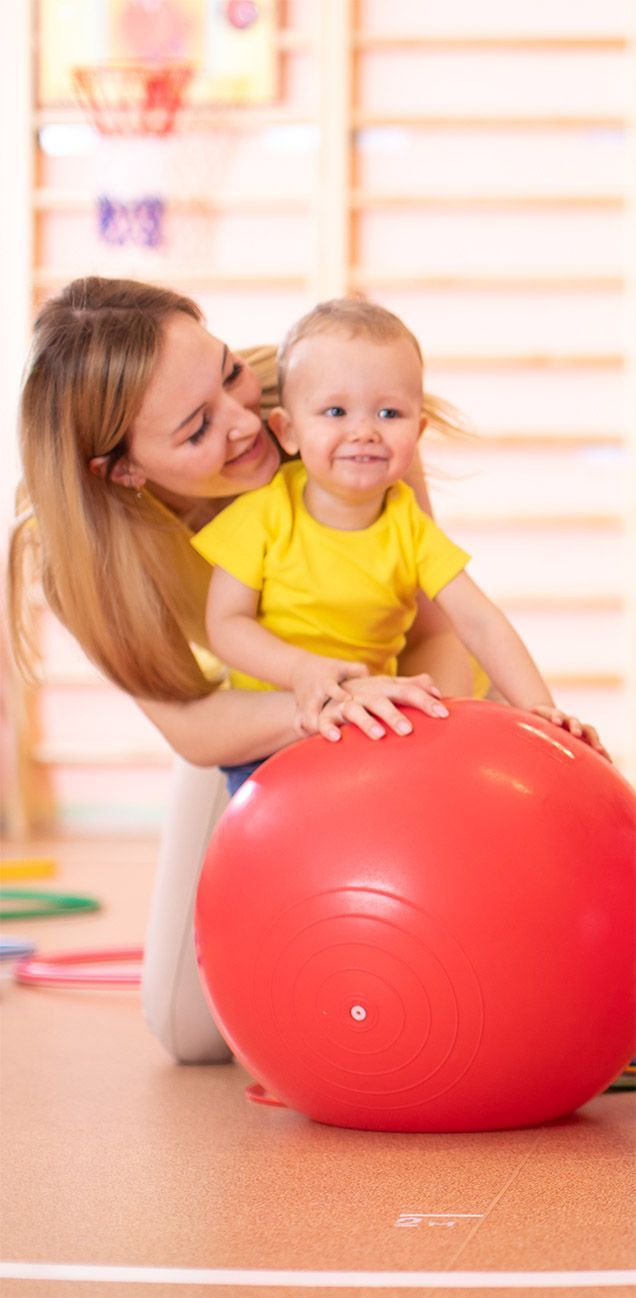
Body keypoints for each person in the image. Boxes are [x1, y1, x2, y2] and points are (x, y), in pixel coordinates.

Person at [8, 277, 480, 1065]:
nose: (244, 420)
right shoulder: (91, 560)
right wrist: (322, 698)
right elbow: (192, 724)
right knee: (189, 1031)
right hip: (255, 717)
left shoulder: (333, 403)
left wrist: (422, 751)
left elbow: (438, 629)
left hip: (410, 691)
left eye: (227, 371)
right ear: (123, 471)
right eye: (196, 429)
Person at [192, 298, 608, 794]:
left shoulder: (407, 525)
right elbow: (227, 625)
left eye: (389, 412)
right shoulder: (262, 514)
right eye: (335, 411)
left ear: (418, 430)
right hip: (277, 738)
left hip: (372, 722)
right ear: (288, 430)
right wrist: (306, 673)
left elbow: (478, 620)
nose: (364, 431)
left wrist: (541, 710)